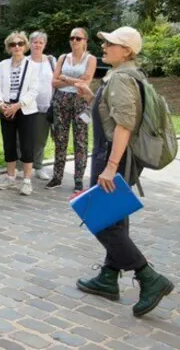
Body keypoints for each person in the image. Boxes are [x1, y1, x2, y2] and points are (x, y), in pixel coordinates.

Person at [74, 26, 174, 318]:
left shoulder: (120, 79)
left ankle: (148, 277)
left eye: (112, 43)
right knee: (114, 218)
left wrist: (110, 167)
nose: (104, 46)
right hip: (118, 155)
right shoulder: (130, 75)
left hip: (113, 156)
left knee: (101, 220)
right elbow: (114, 115)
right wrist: (92, 96)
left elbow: (125, 124)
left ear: (127, 51)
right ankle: (108, 277)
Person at [49, 27, 97, 191]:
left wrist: (65, 78)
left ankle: (78, 179)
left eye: (78, 38)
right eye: (72, 38)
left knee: (81, 141)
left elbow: (85, 82)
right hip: (61, 100)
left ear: (85, 41)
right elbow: (54, 82)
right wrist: (73, 81)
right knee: (60, 139)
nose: (74, 41)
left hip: (80, 101)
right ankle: (57, 176)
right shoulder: (63, 58)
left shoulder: (90, 59)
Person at [0, 32, 40, 196]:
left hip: (26, 110)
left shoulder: (32, 66)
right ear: (8, 47)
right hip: (7, 108)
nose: (17, 47)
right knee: (9, 144)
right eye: (13, 44)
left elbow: (34, 90)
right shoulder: (2, 65)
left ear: (25, 46)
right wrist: (0, 103)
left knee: (27, 145)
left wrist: (18, 105)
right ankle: (10, 178)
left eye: (20, 44)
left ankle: (27, 181)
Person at [25, 31, 56, 180]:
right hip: (26, 105)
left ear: (44, 44)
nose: (37, 45)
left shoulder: (51, 61)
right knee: (23, 136)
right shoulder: (24, 61)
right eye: (35, 42)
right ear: (30, 44)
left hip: (45, 105)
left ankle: (38, 166)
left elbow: (56, 81)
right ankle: (21, 166)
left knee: (40, 138)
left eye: (40, 42)